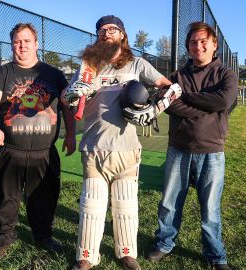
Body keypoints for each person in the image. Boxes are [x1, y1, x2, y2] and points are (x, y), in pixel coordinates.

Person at [63, 15, 176, 270]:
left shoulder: (137, 64)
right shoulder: (88, 66)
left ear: (123, 35)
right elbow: (67, 98)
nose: (106, 33)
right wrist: (72, 94)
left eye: (112, 29)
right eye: (101, 30)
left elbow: (171, 88)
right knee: (91, 206)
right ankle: (86, 258)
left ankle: (127, 254)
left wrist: (153, 110)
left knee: (126, 206)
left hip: (126, 149)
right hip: (94, 147)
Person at [146, 22, 238, 270]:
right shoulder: (177, 77)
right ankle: (164, 243)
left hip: (212, 151)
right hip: (179, 149)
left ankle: (216, 255)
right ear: (188, 47)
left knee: (210, 210)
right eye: (193, 42)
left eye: (203, 40)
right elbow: (170, 105)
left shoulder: (225, 75)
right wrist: (204, 106)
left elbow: (223, 101)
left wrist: (184, 97)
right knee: (170, 203)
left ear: (214, 44)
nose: (198, 45)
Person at [0, 23, 76, 260]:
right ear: (12, 44)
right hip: (9, 150)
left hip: (44, 152)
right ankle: (4, 237)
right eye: (17, 41)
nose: (21, 45)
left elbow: (66, 106)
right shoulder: (1, 73)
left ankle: (43, 235)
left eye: (26, 41)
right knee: (5, 197)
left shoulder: (53, 74)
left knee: (44, 197)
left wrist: (72, 135)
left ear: (36, 44)